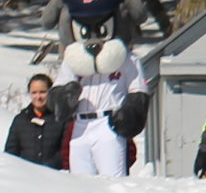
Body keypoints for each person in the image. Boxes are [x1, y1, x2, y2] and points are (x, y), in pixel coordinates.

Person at [53, 28, 150, 177]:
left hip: (108, 121)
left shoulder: (125, 58)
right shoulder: (73, 59)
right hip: (80, 124)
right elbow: (59, 88)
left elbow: (138, 91)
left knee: (113, 179)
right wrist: (65, 96)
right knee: (80, 180)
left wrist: (130, 113)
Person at [4, 74, 68, 169]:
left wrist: (49, 167)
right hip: (24, 175)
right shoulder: (20, 120)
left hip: (53, 175)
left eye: (42, 92)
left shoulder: (61, 119)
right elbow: (11, 152)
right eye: (34, 92)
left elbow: (64, 151)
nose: (38, 97)